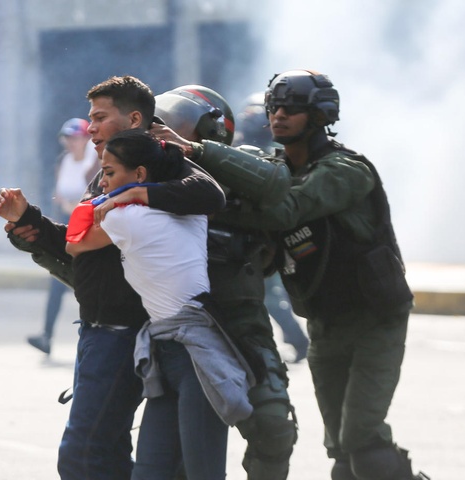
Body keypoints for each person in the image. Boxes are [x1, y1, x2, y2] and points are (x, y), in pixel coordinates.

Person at [178, 70, 428, 480]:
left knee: (363, 443)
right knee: (343, 454)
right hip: (326, 322)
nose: (278, 116)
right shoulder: (273, 168)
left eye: (292, 108)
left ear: (319, 115)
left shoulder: (346, 170)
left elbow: (286, 210)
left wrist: (206, 174)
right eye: (275, 107)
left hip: (374, 319)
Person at [0, 75, 226, 480]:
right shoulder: (106, 174)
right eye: (90, 118)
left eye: (100, 117)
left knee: (85, 456)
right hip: (96, 332)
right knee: (103, 451)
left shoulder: (157, 165)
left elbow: (209, 193)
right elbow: (77, 243)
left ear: (134, 118)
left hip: (125, 333)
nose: (91, 127)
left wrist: (138, 193)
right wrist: (27, 223)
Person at [66, 129, 254, 479]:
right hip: (167, 351)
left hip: (193, 356)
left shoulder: (127, 219)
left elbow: (74, 244)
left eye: (108, 174)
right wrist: (138, 192)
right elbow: (203, 190)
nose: (102, 184)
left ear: (139, 174)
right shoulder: (191, 210)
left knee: (202, 474)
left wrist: (122, 199)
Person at [145, 85, 299, 479]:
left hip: (241, 323)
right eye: (162, 122)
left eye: (179, 125)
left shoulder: (238, 165)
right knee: (173, 453)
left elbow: (275, 184)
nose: (166, 133)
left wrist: (197, 153)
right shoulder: (147, 175)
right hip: (177, 328)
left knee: (273, 427)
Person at [233, 94, 310, 364]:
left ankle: (297, 342)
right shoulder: (236, 151)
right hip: (251, 239)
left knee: (271, 297)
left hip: (263, 240)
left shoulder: (274, 158)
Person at [27, 118, 97, 356]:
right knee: (57, 282)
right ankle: (46, 336)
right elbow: (59, 196)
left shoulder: (95, 163)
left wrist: (74, 207)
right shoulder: (64, 162)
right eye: (68, 138)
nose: (71, 143)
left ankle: (92, 338)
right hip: (68, 231)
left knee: (88, 286)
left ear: (86, 139)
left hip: (90, 233)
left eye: (75, 138)